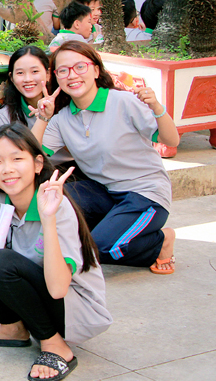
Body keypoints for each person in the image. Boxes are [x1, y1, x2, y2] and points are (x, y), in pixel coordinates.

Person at [0, 123, 111, 381]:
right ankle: (12, 329)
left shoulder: (57, 206)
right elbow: (18, 251)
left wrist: (48, 218)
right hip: (42, 296)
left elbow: (58, 289)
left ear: (38, 164)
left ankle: (55, 344)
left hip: (75, 308)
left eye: (17, 159)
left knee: (0, 262)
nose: (7, 169)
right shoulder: (0, 199)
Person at [30, 41, 179, 274]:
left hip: (145, 193)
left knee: (97, 248)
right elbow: (31, 157)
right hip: (105, 192)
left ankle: (160, 242)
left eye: (80, 67)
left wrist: (157, 108)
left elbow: (171, 140)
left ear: (96, 71)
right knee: (54, 198)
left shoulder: (123, 102)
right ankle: (112, 228)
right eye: (63, 70)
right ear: (56, 78)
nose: (72, 75)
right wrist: (43, 117)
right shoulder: (62, 119)